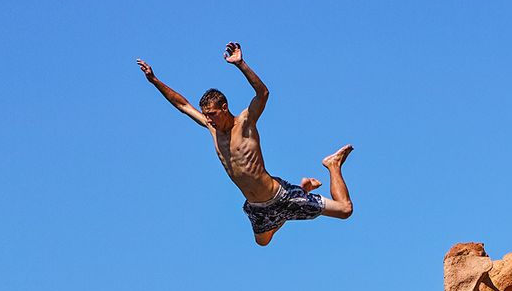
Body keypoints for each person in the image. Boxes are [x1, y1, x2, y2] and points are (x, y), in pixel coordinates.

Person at [137, 41, 353, 246]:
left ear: (224, 107)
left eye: (212, 114)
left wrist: (241, 64)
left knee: (344, 210)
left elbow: (263, 93)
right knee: (263, 242)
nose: (209, 119)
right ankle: (303, 190)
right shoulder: (212, 129)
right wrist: (155, 81)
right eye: (206, 115)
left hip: (279, 196)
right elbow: (182, 104)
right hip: (257, 206)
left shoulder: (245, 123)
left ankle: (332, 165)